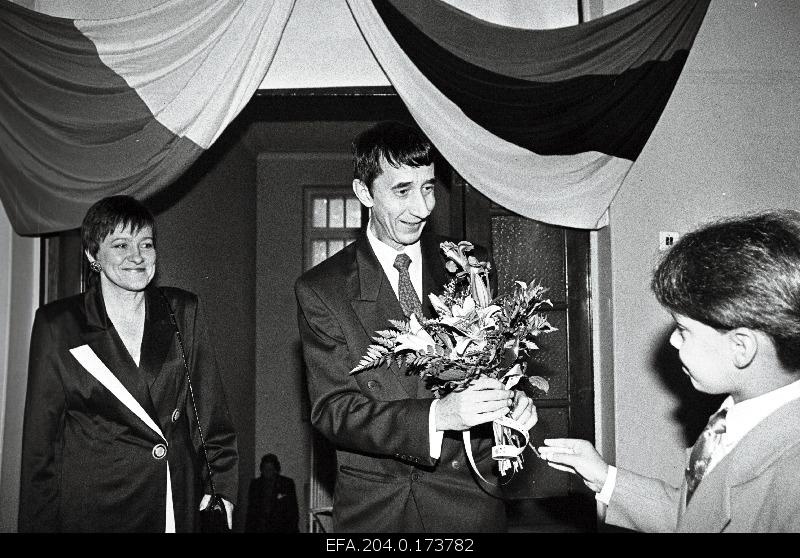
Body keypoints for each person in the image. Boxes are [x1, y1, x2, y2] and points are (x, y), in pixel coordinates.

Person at [295, 120, 538, 532]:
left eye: (428, 188)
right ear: (363, 192)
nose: (423, 208)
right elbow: (332, 410)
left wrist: (513, 402)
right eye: (402, 190)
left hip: (470, 501)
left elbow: (500, 363)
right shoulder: (322, 290)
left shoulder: (469, 265)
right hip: (379, 509)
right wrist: (437, 416)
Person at [538, 210, 800, 532]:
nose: (674, 340)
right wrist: (604, 477)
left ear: (741, 348)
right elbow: (697, 519)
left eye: (683, 329)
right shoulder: (734, 417)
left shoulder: (790, 477)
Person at [18, 195, 239, 533]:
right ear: (93, 255)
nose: (137, 256)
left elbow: (211, 417)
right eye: (120, 245)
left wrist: (221, 490)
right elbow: (40, 450)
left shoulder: (183, 311)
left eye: (146, 244)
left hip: (170, 503)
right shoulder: (58, 325)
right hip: (93, 511)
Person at [245, 453, 299, 533]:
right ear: (261, 469)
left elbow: (293, 510)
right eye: (265, 469)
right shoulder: (255, 485)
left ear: (275, 470)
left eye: (270, 469)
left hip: (282, 528)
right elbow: (251, 511)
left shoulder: (286, 484)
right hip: (260, 528)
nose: (267, 472)